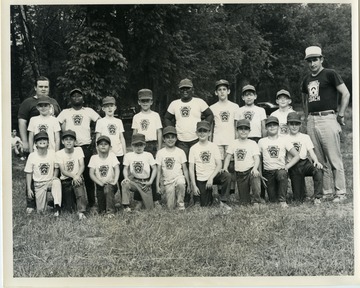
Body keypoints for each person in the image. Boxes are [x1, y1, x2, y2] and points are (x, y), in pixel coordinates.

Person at [301, 45, 350, 203]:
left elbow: (345, 93)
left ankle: (340, 192)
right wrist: (307, 117)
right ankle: (326, 191)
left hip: (328, 117)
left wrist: (340, 114)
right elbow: (305, 100)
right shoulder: (307, 79)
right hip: (312, 119)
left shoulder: (330, 74)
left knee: (334, 157)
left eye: (315, 59)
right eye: (309, 60)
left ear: (321, 59)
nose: (312, 63)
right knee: (320, 160)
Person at [57, 88, 101, 210]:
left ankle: (92, 203)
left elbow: (100, 121)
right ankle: (72, 202)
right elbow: (56, 124)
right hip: (71, 147)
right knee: (70, 174)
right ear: (70, 99)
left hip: (85, 146)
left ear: (83, 98)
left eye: (79, 96)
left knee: (87, 175)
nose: (76, 98)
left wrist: (94, 135)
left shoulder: (88, 111)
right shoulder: (66, 112)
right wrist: (64, 131)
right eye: (73, 96)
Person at [164, 78, 214, 159]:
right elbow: (167, 118)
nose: (185, 90)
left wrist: (204, 128)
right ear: (179, 90)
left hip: (197, 138)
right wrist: (172, 130)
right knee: (183, 162)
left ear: (192, 90)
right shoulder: (174, 103)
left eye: (187, 88)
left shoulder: (199, 102)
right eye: (182, 88)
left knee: (197, 161)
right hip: (181, 140)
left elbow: (210, 115)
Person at [258, 116, 300, 208]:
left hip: (280, 170)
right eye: (269, 126)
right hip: (268, 172)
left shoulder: (284, 140)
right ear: (266, 128)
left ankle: (283, 200)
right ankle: (277, 194)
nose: (272, 127)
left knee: (282, 174)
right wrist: (260, 174)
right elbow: (259, 159)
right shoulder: (262, 141)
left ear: (278, 127)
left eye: (274, 125)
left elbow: (297, 156)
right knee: (273, 200)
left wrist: (287, 166)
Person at [188, 121, 232, 207]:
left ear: (209, 133)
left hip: (213, 175)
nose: (202, 133)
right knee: (205, 204)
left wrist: (211, 178)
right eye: (200, 131)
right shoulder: (193, 148)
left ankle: (223, 201)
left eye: (205, 131)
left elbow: (219, 164)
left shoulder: (213, 146)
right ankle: (207, 197)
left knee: (227, 176)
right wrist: (194, 185)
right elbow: (191, 168)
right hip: (202, 178)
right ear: (196, 133)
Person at [209, 79, 239, 199]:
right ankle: (221, 193)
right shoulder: (212, 107)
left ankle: (231, 193)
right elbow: (211, 128)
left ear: (228, 91)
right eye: (219, 90)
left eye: (224, 89)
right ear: (216, 92)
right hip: (218, 141)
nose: (222, 92)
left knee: (231, 167)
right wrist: (211, 143)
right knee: (220, 167)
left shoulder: (235, 106)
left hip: (230, 140)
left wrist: (236, 142)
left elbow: (236, 126)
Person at [18, 76, 61, 156]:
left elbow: (59, 120)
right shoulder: (27, 102)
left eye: (46, 87)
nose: (43, 89)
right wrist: (25, 141)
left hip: (52, 146)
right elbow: (22, 122)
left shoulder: (53, 102)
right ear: (35, 88)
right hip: (35, 145)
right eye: (40, 86)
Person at [285, 112, 323, 204]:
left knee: (318, 170)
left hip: (305, 163)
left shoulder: (305, 137)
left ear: (300, 125)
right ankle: (300, 194)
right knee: (298, 199)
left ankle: (317, 197)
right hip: (293, 165)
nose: (294, 126)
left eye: (297, 124)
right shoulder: (284, 138)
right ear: (287, 125)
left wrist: (316, 161)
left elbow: (311, 152)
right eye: (291, 124)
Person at [223, 119, 262, 206]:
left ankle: (256, 201)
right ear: (237, 130)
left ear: (249, 131)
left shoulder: (252, 143)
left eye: (246, 129)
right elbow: (228, 157)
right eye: (241, 129)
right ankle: (246, 198)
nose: (243, 131)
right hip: (240, 173)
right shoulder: (234, 143)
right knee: (244, 202)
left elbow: (257, 158)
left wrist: (255, 168)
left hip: (250, 170)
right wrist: (225, 167)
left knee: (255, 178)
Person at [24, 131, 62, 216]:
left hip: (50, 181)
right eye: (39, 140)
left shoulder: (52, 153)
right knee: (41, 211)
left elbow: (56, 167)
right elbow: (29, 173)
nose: (42, 141)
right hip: (38, 184)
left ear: (48, 142)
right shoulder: (32, 156)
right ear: (35, 144)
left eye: (44, 139)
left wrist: (53, 178)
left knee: (57, 182)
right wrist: (29, 189)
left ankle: (57, 206)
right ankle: (48, 203)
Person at [156, 126, 190, 210]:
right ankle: (173, 199)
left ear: (176, 139)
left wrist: (188, 184)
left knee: (180, 183)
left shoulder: (180, 152)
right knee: (170, 207)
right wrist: (157, 185)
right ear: (164, 139)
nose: (170, 140)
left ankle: (181, 204)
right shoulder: (160, 153)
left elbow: (185, 169)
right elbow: (159, 171)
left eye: (172, 137)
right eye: (167, 137)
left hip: (178, 178)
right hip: (168, 181)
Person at [95, 96, 126, 189]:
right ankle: (109, 197)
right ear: (103, 108)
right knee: (108, 176)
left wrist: (125, 154)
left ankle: (124, 201)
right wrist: (99, 154)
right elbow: (98, 138)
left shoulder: (119, 121)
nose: (109, 108)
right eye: (107, 106)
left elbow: (122, 138)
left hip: (118, 153)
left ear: (115, 107)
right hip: (106, 154)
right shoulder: (100, 122)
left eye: (111, 106)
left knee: (121, 177)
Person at [56, 130, 87, 220]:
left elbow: (82, 165)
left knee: (79, 190)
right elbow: (63, 170)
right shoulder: (59, 153)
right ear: (62, 142)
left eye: (71, 139)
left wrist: (77, 176)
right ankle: (62, 202)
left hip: (77, 177)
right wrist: (74, 176)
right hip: (66, 180)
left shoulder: (79, 150)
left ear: (75, 142)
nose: (69, 141)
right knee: (70, 209)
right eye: (66, 139)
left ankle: (81, 212)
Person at [121, 133, 158, 211]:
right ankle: (126, 206)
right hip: (135, 181)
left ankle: (142, 202)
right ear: (132, 146)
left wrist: (150, 181)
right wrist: (126, 178)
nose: (138, 147)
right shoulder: (128, 155)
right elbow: (125, 168)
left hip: (145, 183)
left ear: (144, 145)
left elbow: (154, 168)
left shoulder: (148, 155)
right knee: (125, 183)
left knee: (149, 209)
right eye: (136, 145)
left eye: (141, 145)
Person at [88, 136, 120, 217]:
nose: (103, 146)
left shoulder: (112, 156)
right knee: (102, 210)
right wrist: (100, 183)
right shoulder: (94, 158)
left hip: (111, 185)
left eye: (105, 144)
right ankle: (110, 205)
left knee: (108, 189)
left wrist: (115, 181)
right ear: (97, 147)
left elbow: (117, 169)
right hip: (100, 186)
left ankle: (111, 212)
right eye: (100, 144)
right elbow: (91, 174)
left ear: (110, 147)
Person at [132, 89, 163, 157]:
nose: (145, 103)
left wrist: (159, 148)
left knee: (153, 165)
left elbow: (159, 132)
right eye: (143, 101)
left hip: (152, 144)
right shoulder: (136, 117)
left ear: (151, 102)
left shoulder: (155, 115)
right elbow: (135, 132)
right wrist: (134, 147)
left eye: (147, 101)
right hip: (139, 144)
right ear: (139, 102)